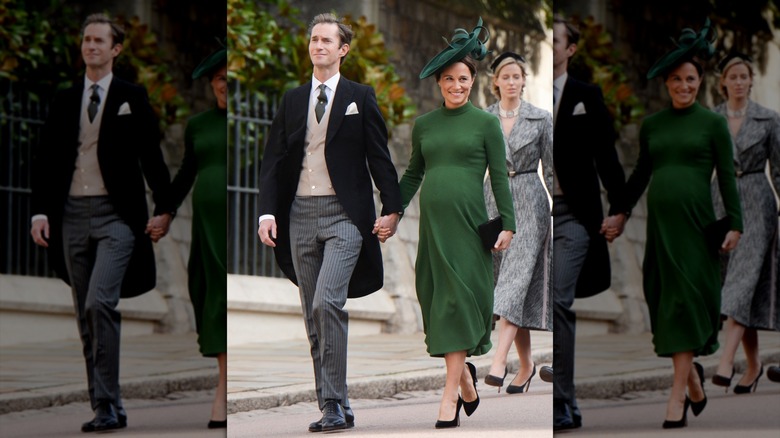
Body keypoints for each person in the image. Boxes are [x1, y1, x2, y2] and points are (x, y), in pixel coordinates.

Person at [256, 13, 402, 433]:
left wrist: (391, 209)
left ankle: (334, 401)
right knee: (311, 315)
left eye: (327, 40)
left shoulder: (361, 96)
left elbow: (379, 157)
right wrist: (268, 212)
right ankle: (333, 404)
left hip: (344, 217)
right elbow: (273, 161)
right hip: (299, 214)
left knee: (327, 302)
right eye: (314, 39)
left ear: (343, 49)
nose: (319, 45)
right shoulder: (292, 99)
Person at [29, 13, 173, 432]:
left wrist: (164, 207)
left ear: (116, 49)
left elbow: (152, 156)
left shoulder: (132, 96)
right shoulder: (64, 99)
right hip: (70, 214)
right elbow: (47, 159)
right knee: (83, 313)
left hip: (117, 217)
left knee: (99, 302)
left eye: (99, 41)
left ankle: (108, 403)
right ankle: (105, 405)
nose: (91, 46)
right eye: (86, 40)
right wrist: (40, 211)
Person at [376, 18, 515, 428]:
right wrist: (393, 211)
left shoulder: (487, 123)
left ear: (473, 82)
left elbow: (501, 175)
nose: (457, 86)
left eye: (464, 79)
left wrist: (508, 223)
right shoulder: (424, 125)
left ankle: (449, 396)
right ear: (439, 83)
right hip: (433, 229)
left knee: (459, 301)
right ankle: (466, 383)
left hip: (470, 228)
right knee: (438, 301)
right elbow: (413, 174)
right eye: (450, 79)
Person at [614, 20, 743, 428]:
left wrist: (735, 225)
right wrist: (620, 213)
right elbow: (638, 177)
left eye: (690, 79)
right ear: (666, 83)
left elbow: (726, 177)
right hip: (661, 229)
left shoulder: (713, 124)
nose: (683, 85)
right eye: (676, 79)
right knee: (666, 303)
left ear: (700, 81)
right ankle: (693, 384)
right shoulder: (653, 125)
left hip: (697, 228)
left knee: (688, 303)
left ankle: (675, 399)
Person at [550, 15, 627, 431]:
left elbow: (607, 158)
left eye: (557, 40)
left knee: (559, 299)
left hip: (575, 216)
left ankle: (560, 401)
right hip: (534, 217)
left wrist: (621, 209)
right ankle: (566, 396)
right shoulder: (521, 95)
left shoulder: (586, 95)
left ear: (570, 49)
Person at [146, 48, 228, 428]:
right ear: (212, 85)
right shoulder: (199, 125)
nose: (226, 85)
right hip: (206, 226)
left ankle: (223, 391)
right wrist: (165, 212)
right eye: (219, 80)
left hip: (240, 226)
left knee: (227, 296)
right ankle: (223, 381)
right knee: (209, 294)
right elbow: (185, 175)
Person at [480, 52, 552, 395]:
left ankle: (498, 362)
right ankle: (525, 366)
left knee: (514, 280)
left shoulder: (541, 119)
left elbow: (551, 170)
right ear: (495, 81)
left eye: (517, 76)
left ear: (524, 80)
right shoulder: (482, 119)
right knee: (509, 286)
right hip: (492, 201)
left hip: (530, 203)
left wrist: (562, 212)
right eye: (505, 76)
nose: (511, 81)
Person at [709, 52, 780, 394]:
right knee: (738, 287)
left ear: (751, 80)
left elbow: (779, 171)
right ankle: (753, 366)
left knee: (742, 280)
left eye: (743, 76)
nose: (738, 81)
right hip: (720, 201)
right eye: (732, 76)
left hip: (757, 202)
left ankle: (726, 362)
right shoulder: (711, 118)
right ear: (723, 82)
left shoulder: (769, 119)